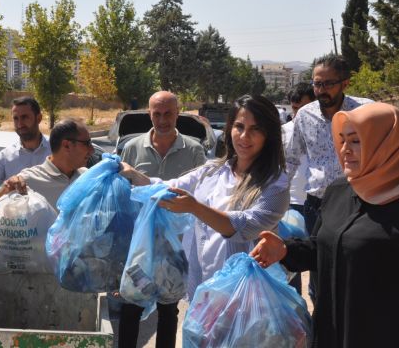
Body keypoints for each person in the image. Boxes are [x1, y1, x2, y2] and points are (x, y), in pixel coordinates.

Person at [251, 102, 399, 348]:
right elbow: (325, 247)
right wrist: (286, 250)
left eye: (356, 141)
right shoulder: (340, 190)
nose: (344, 149)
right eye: (342, 140)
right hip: (331, 335)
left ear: (387, 144)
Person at [121, 94, 289, 316]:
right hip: (205, 292)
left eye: (255, 129)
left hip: (246, 300)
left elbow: (247, 227)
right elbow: (167, 187)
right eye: (239, 126)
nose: (244, 136)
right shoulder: (214, 171)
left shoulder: (275, 184)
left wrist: (195, 207)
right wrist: (131, 175)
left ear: (269, 135)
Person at [117, 90, 207, 348]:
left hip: (175, 246)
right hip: (139, 247)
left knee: (168, 310)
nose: (163, 119)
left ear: (178, 113)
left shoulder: (193, 150)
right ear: (150, 114)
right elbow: (123, 196)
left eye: (168, 113)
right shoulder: (132, 149)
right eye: (157, 113)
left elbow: (199, 193)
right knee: (131, 306)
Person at [285, 54, 373, 302]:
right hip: (318, 206)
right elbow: (291, 160)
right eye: (316, 84)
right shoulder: (304, 115)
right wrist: (273, 198)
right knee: (320, 270)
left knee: (356, 268)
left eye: (328, 84)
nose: (321, 90)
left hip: (360, 202)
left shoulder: (365, 111)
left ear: (345, 83)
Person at [0, 118, 94, 208]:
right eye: (87, 143)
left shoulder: (87, 177)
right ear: (66, 145)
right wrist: (7, 188)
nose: (92, 150)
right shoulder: (27, 181)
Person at [281, 82, 315, 295]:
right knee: (289, 262)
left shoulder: (325, 129)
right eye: (294, 109)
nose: (298, 114)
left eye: (303, 108)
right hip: (289, 205)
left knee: (319, 261)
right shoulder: (283, 133)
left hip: (318, 203)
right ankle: (293, 308)